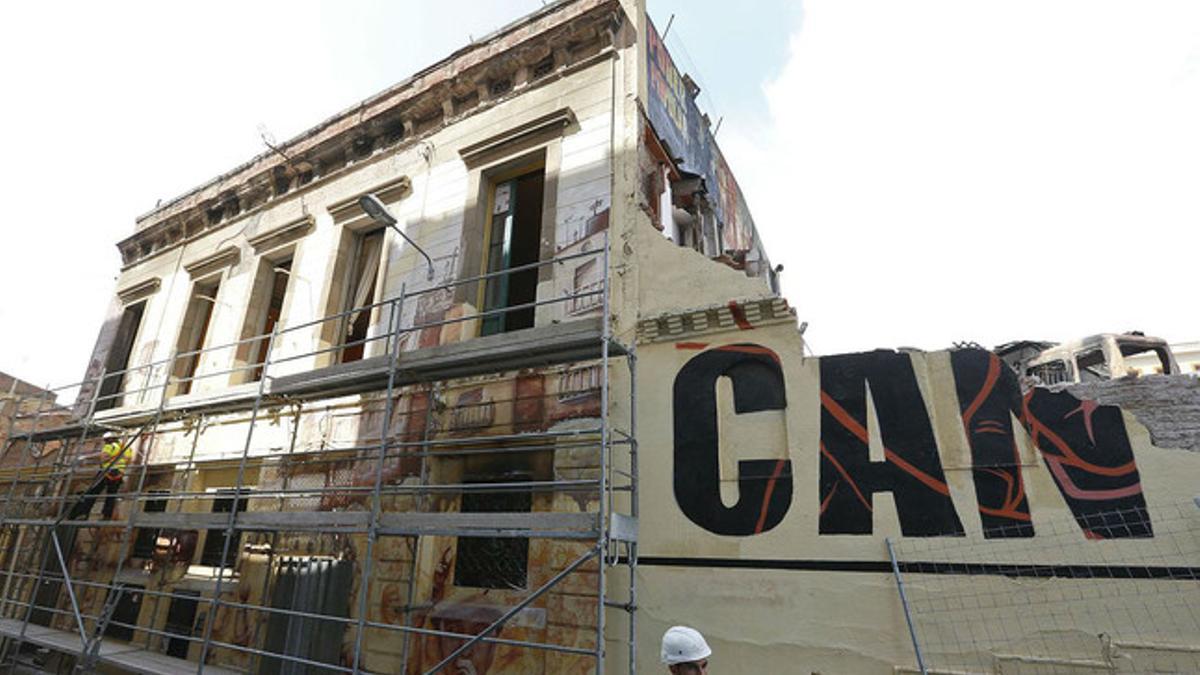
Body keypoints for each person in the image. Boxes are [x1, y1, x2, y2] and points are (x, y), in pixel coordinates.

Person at [67, 432, 131, 520]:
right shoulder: (127, 448)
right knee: (111, 495)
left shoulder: (110, 446)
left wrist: (86, 457)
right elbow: (127, 461)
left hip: (106, 472)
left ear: (109, 439)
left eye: (105, 440)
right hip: (118, 474)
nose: (105, 442)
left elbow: (103, 459)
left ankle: (82, 513)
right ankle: (107, 516)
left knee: (92, 492)